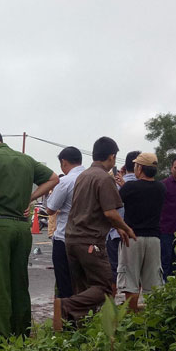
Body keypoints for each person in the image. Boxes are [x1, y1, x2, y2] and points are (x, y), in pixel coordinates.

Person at [0, 127, 59, 338]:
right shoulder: (25, 160)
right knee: (19, 282)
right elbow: (54, 178)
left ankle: (2, 339)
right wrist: (30, 197)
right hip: (22, 228)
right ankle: (22, 335)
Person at [53, 137, 136, 331]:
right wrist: (125, 227)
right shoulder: (103, 177)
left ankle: (76, 331)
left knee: (82, 289)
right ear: (112, 156)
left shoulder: (84, 175)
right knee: (106, 288)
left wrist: (117, 226)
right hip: (90, 241)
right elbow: (110, 212)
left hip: (71, 238)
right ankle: (66, 306)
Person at [117, 153, 166, 311]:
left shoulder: (130, 187)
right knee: (152, 281)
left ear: (139, 168)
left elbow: (118, 200)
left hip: (132, 237)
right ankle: (152, 316)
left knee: (130, 280)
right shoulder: (161, 188)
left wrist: (123, 180)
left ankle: (132, 314)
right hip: (154, 239)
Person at [46, 147, 85, 299]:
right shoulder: (94, 178)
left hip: (65, 239)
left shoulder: (65, 181)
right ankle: (87, 318)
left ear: (64, 162)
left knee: (65, 283)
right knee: (84, 282)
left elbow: (50, 209)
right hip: (89, 239)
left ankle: (67, 319)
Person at [106, 150, 140, 294]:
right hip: (136, 236)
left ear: (124, 167)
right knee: (134, 273)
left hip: (115, 235)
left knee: (113, 273)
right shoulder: (146, 186)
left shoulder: (115, 184)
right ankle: (132, 309)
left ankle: (110, 308)